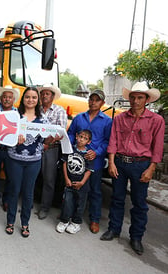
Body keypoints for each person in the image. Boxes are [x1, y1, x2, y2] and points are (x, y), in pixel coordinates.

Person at [100, 82, 164, 256]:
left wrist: (151, 168)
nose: (135, 101)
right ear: (129, 98)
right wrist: (111, 162)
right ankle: (114, 229)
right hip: (120, 162)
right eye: (133, 97)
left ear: (147, 99)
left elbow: (157, 147)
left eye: (140, 97)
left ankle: (136, 237)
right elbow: (113, 141)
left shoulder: (156, 120)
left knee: (139, 203)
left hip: (141, 164)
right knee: (117, 198)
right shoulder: (120, 118)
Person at [4, 87, 49, 238]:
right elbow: (5, 135)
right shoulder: (14, 116)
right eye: (28, 97)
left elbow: (45, 140)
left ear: (38, 100)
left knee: (28, 193)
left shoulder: (43, 119)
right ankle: (10, 221)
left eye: (34, 97)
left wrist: (54, 137)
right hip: (15, 159)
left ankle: (25, 223)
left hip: (33, 161)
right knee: (14, 190)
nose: (31, 100)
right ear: (23, 99)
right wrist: (14, 138)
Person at [67, 90, 112, 233]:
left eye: (97, 100)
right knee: (74, 188)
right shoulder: (79, 118)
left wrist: (97, 152)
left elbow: (107, 141)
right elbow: (71, 134)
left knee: (95, 191)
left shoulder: (107, 121)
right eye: (91, 99)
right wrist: (71, 147)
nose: (93, 102)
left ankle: (95, 219)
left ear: (102, 103)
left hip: (95, 161)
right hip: (77, 161)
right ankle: (70, 216)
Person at [37, 83, 67, 220]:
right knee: (34, 176)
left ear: (53, 96)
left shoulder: (59, 111)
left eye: (47, 93)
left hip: (51, 148)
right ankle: (30, 202)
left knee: (49, 179)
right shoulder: (37, 109)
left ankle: (44, 208)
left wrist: (47, 143)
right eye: (42, 93)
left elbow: (60, 133)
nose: (44, 95)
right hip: (35, 146)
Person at [0, 85, 20, 211]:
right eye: (5, 97)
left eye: (9, 97)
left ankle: (6, 200)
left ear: (13, 100)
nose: (7, 99)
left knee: (10, 177)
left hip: (10, 150)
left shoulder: (17, 114)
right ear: (1, 98)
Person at [56, 129, 94, 234]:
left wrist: (82, 182)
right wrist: (66, 178)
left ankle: (76, 223)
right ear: (76, 136)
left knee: (80, 204)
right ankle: (64, 220)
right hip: (69, 183)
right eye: (81, 137)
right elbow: (64, 163)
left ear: (89, 142)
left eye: (85, 138)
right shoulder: (70, 149)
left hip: (82, 185)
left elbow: (89, 171)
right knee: (67, 202)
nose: (82, 140)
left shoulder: (89, 154)